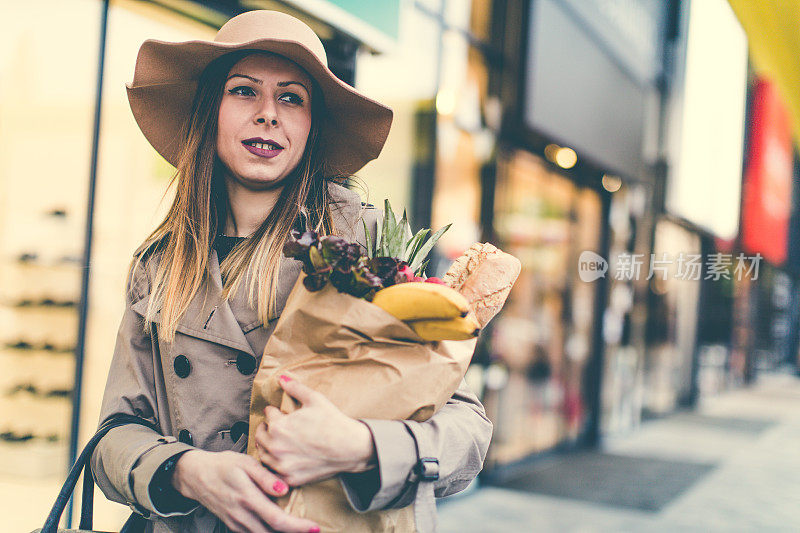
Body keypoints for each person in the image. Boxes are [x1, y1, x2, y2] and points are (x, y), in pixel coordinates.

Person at [90, 10, 493, 533]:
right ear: (209, 109)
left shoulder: (365, 248)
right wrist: (187, 472)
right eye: (243, 91)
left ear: (311, 126)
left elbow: (468, 432)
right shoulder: (163, 262)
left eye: (290, 97)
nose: (267, 115)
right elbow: (113, 436)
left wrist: (361, 447)